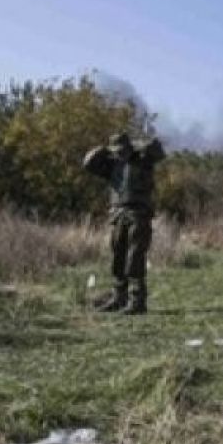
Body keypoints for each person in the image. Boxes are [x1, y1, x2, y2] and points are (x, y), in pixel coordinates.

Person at [82, 132, 165, 315]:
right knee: (118, 256)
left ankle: (137, 301)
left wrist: (136, 146)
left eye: (122, 150)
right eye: (116, 151)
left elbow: (159, 151)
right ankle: (119, 297)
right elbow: (88, 163)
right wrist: (103, 149)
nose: (120, 154)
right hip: (118, 214)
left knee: (135, 257)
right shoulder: (111, 165)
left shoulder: (143, 161)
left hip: (138, 214)